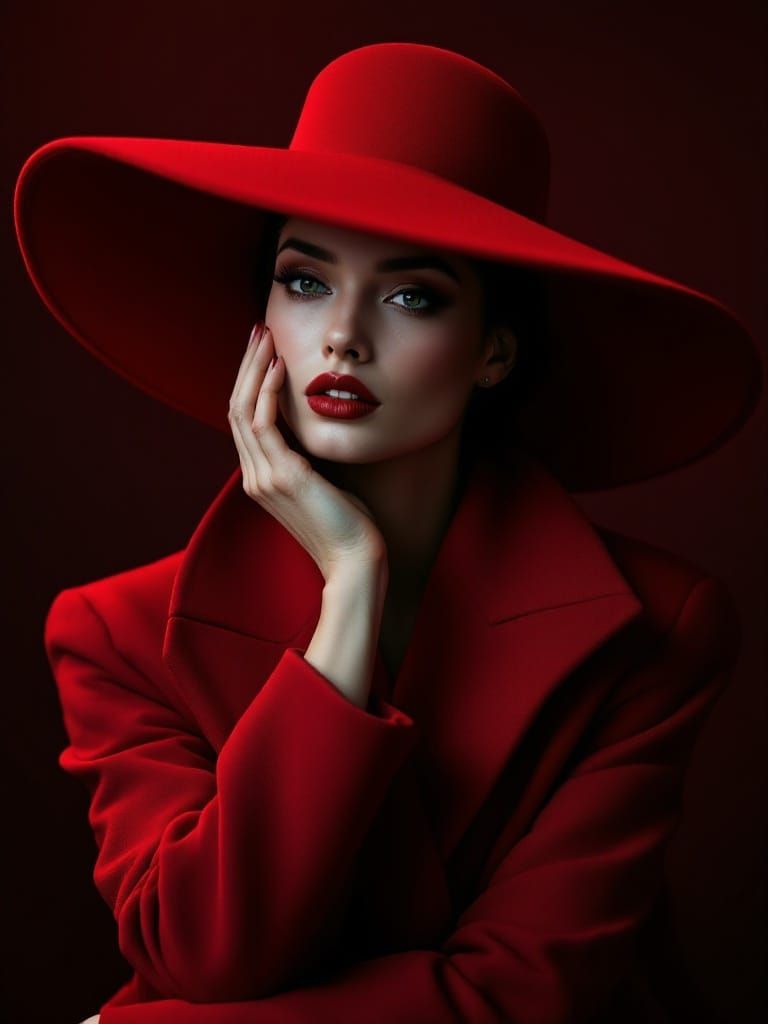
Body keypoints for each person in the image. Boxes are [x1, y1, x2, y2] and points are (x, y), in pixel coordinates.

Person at [14, 42, 763, 1024]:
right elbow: (206, 951)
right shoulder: (116, 631)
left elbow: (524, 996)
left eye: (412, 294)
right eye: (305, 279)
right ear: (263, 321)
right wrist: (351, 590)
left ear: (493, 350)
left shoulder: (658, 629)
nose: (343, 335)